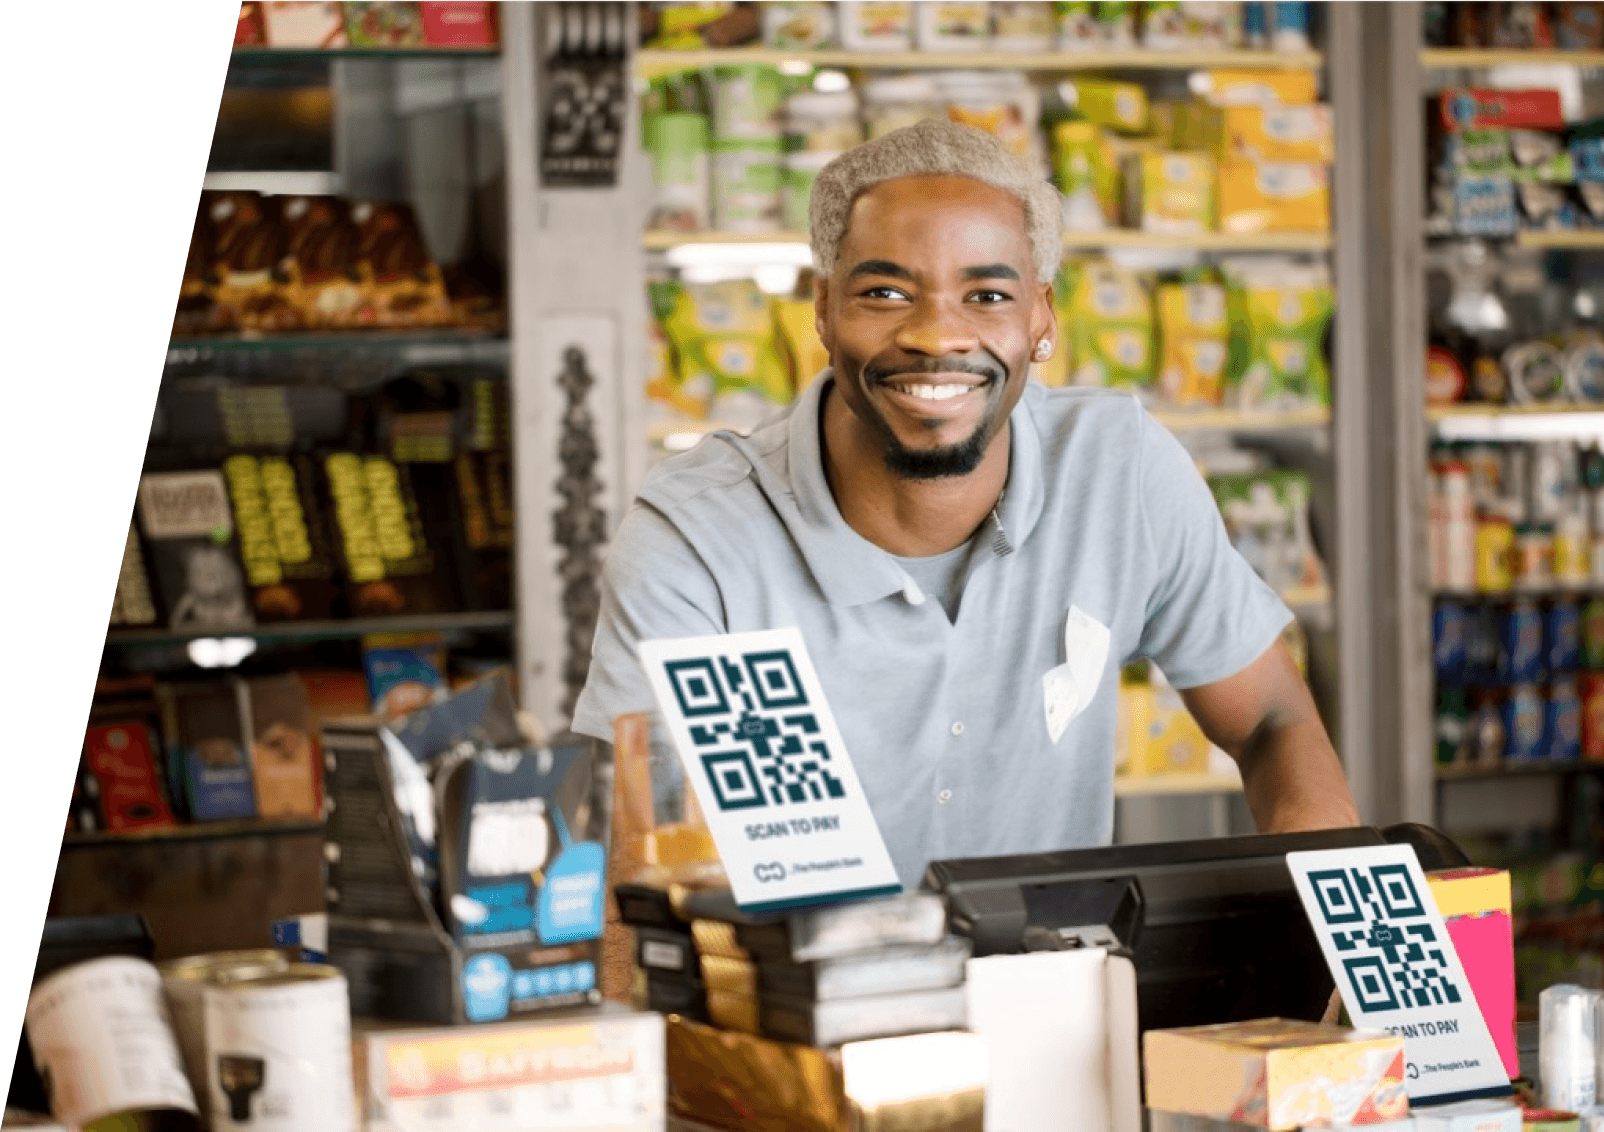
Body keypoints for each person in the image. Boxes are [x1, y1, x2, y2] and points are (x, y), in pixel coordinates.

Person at [573, 119, 1358, 888]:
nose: (936, 336)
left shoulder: (1121, 471)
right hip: (795, 1004)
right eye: (884, 291)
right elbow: (637, 858)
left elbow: (1270, 721)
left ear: (1041, 318)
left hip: (1066, 995)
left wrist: (1339, 949)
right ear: (822, 311)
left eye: (985, 294)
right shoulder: (702, 543)